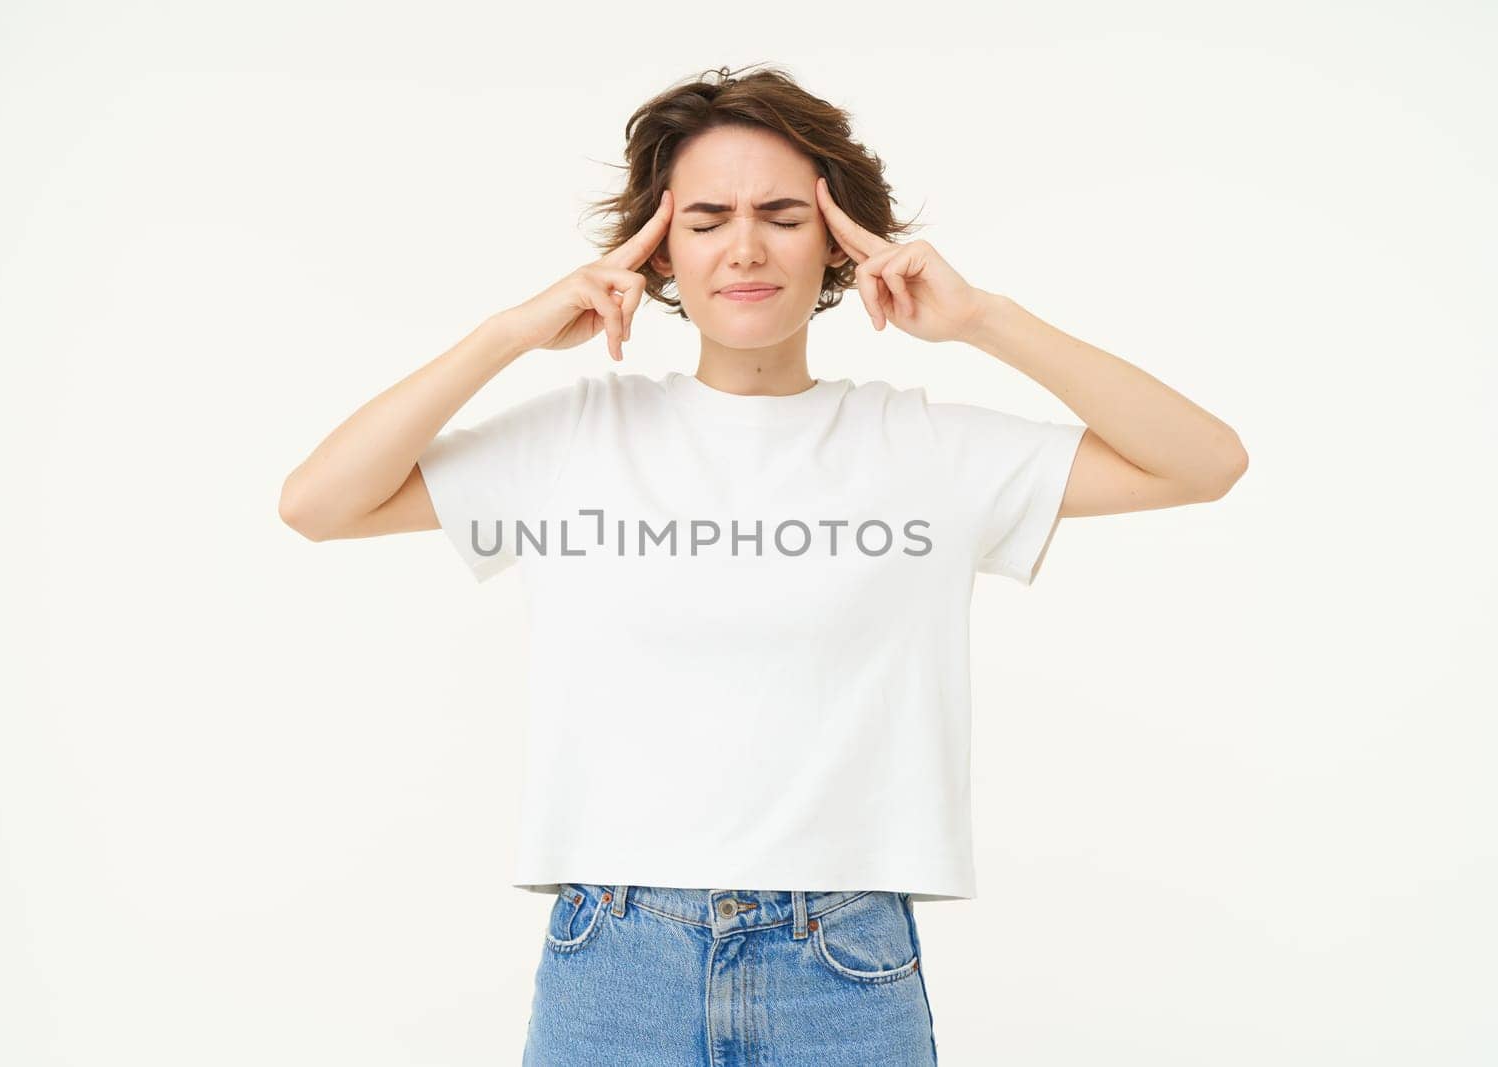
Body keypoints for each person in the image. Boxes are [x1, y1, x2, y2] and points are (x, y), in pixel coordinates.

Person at [279, 63, 1247, 1067]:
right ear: (657, 251)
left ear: (837, 240)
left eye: (782, 213)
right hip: (614, 957)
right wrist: (508, 335)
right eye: (704, 219)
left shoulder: (920, 447)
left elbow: (1204, 459)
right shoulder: (572, 436)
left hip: (842, 962)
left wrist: (981, 319)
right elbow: (318, 502)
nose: (744, 246)